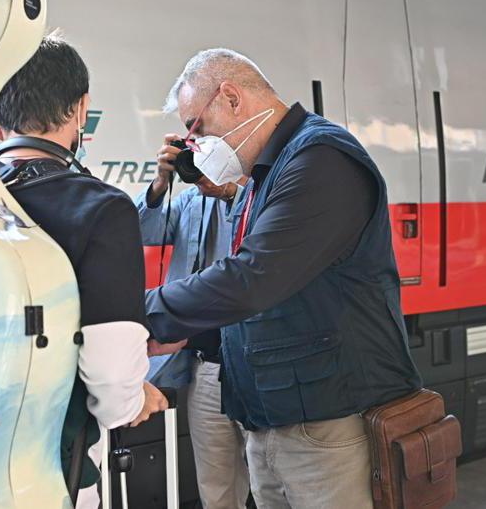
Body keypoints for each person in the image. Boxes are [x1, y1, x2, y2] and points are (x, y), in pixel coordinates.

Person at [146, 48, 423, 508]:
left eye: (198, 128)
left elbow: (254, 277)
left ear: (231, 98)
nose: (197, 146)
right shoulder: (265, 174)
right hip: (273, 415)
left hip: (325, 420)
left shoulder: (321, 160)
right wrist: (192, 334)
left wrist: (143, 312)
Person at [0, 32, 168, 508]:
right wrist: (132, 402)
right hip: (48, 468)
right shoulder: (101, 208)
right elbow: (111, 370)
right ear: (81, 109)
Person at [136, 135, 250, 509]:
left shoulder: (262, 195)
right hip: (207, 367)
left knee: (272, 482)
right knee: (216, 487)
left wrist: (230, 191)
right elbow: (144, 231)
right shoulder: (190, 201)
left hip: (254, 365)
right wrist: (160, 184)